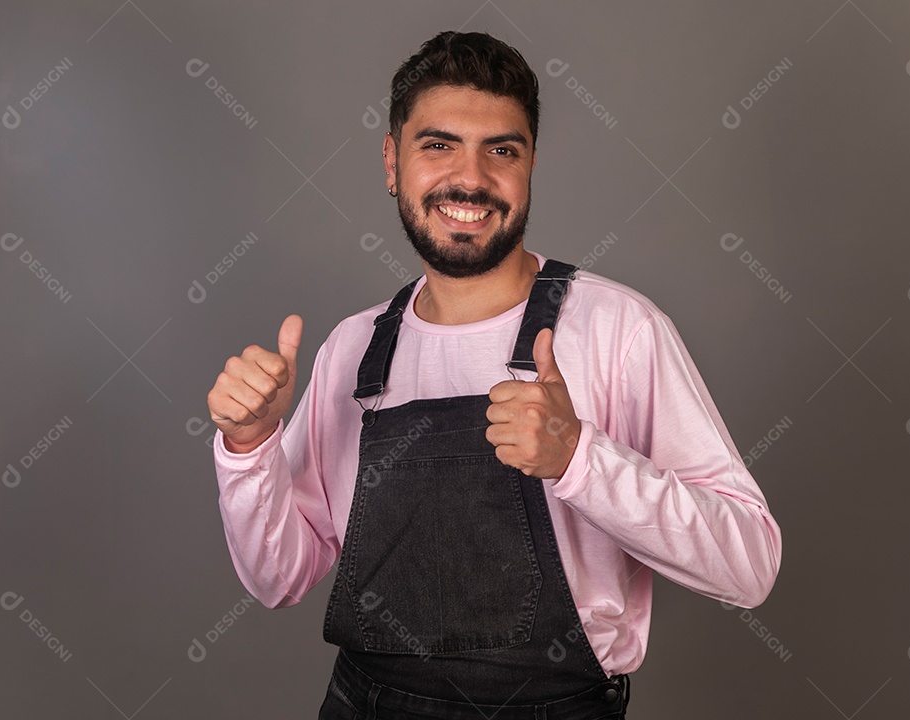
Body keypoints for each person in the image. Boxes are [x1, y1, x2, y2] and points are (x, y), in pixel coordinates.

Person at [207, 30, 781, 720]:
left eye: (501, 150)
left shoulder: (618, 330)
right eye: (438, 144)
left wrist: (580, 458)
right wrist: (249, 447)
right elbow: (278, 577)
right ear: (392, 161)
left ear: (531, 161)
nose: (471, 179)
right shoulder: (353, 350)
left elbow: (747, 567)